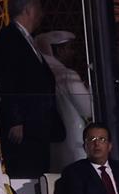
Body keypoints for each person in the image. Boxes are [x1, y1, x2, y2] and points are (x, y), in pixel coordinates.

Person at [0, 0, 62, 178]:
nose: (41, 15)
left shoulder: (27, 39)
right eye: (38, 9)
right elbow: (7, 79)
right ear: (28, 9)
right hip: (24, 127)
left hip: (38, 124)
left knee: (40, 171)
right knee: (26, 172)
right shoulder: (8, 38)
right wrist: (15, 120)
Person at [34, 30, 94, 169]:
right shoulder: (67, 75)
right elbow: (88, 110)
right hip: (75, 139)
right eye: (70, 48)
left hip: (55, 143)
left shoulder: (42, 75)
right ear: (60, 50)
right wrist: (90, 88)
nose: (73, 53)